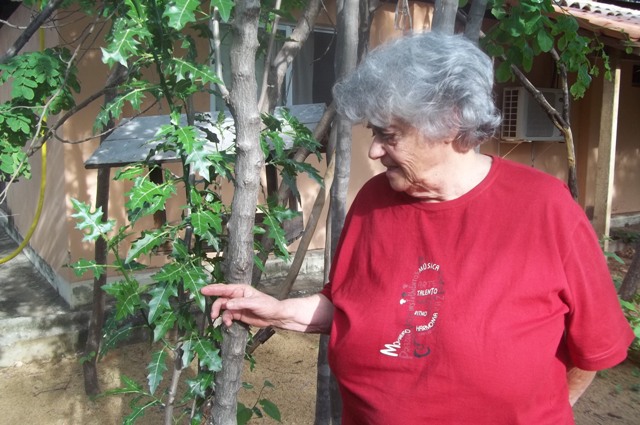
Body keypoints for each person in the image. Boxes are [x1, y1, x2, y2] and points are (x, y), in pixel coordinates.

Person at [201, 32, 634, 424]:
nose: (374, 151)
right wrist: (279, 311)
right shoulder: (373, 201)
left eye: (389, 135)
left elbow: (595, 348)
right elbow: (354, 307)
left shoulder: (545, 207)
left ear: (448, 122)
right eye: (373, 132)